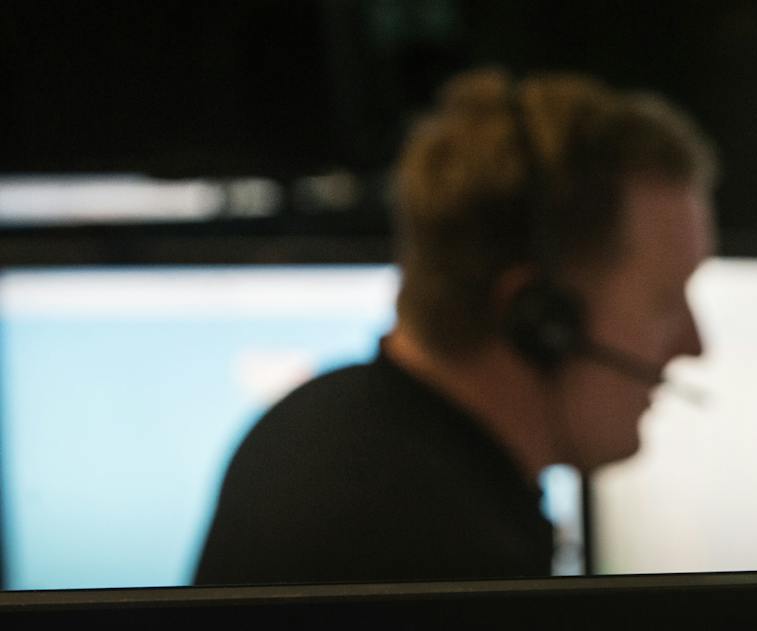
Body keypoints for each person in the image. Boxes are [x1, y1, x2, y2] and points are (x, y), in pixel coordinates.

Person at [195, 68, 717, 586]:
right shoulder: (448, 566)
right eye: (665, 301)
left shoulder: (311, 423)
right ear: (539, 321)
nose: (694, 344)